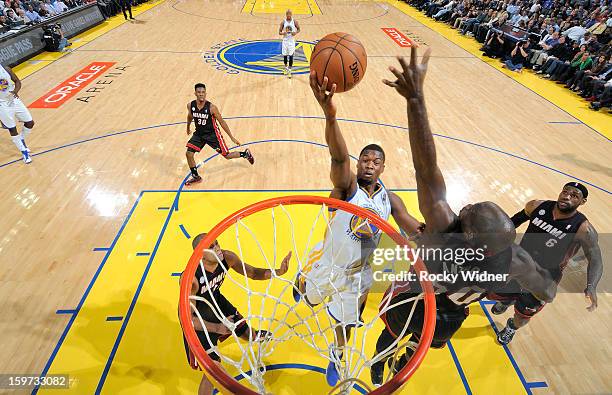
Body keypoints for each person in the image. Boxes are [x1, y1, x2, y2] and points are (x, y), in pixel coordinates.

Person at [369, 46, 556, 384]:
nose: (466, 207)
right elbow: (546, 290)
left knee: (393, 332)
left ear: (469, 234)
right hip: (448, 319)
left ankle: (379, 365)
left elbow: (425, 169)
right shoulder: (515, 260)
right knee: (419, 345)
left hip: (412, 297)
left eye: (469, 212)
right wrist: (528, 294)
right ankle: (400, 368)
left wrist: (415, 101)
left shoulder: (445, 228)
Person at [293, 72, 424, 387]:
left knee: (345, 324)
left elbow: (414, 227)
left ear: (382, 167)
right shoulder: (346, 187)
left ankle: (336, 355)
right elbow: (338, 155)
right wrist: (330, 114)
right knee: (309, 297)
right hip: (328, 262)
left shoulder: (389, 199)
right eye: (364, 158)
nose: (368, 163)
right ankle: (301, 281)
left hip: (357, 272)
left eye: (374, 161)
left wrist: (437, 231)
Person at [491, 183, 603, 345]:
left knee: (523, 316)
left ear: (582, 202)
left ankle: (511, 327)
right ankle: (506, 301)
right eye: (565, 192)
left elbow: (596, 258)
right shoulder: (536, 206)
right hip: (518, 265)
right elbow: (512, 223)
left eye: (574, 196)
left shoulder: (583, 229)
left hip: (545, 277)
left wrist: (591, 285)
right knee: (501, 292)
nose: (567, 196)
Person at [182, 233, 291, 395]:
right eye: (211, 247)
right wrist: (218, 328)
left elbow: (253, 273)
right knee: (213, 372)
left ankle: (253, 336)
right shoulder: (191, 279)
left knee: (243, 327)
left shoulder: (227, 257)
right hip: (197, 318)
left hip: (215, 301)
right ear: (200, 255)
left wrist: (278, 272)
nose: (217, 248)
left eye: (217, 243)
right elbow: (189, 319)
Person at [184, 83, 254, 186]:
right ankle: (196, 177)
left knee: (227, 155)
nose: (201, 94)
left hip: (213, 135)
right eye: (199, 92)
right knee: (189, 154)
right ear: (195, 93)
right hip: (199, 134)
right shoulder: (190, 105)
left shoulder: (212, 107)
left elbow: (222, 122)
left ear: (205, 93)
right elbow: (190, 116)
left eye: (203, 92)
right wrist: (188, 127)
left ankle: (245, 154)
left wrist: (232, 137)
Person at [0, 63, 35, 164]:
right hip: (2, 104)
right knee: (12, 129)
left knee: (30, 123)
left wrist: (15, 90)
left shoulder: (6, 69)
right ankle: (24, 152)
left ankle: (22, 139)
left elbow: (17, 81)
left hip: (14, 100)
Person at [278, 9, 300, 78]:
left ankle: (290, 70)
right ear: (286, 15)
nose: (288, 16)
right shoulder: (283, 22)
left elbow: (299, 29)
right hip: (285, 40)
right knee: (285, 55)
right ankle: (286, 68)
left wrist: (295, 33)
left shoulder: (295, 22)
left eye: (290, 14)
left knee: (291, 55)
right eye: (287, 14)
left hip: (291, 41)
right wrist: (282, 33)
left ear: (291, 14)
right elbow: (279, 32)